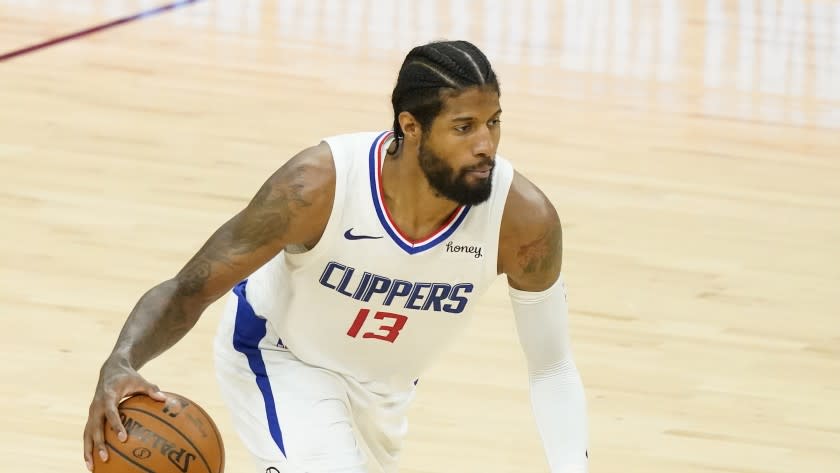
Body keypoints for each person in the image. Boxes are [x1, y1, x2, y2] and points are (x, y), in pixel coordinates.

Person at [83, 39, 589, 473]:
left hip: (383, 394)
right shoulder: (319, 185)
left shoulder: (523, 222)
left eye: (494, 122)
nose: (486, 145)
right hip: (278, 355)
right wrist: (120, 361)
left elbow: (552, 367)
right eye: (464, 127)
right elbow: (189, 289)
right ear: (410, 126)